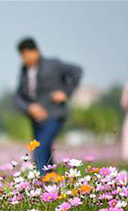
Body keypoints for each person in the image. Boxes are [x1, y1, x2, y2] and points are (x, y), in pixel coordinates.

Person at [13, 37, 82, 173]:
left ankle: (41, 183)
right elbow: (18, 97)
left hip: (54, 115)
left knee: (40, 150)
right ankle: (52, 182)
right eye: (22, 56)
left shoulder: (52, 64)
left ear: (36, 52)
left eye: (27, 54)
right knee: (45, 152)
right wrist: (29, 108)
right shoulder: (24, 71)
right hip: (36, 120)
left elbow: (77, 71)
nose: (25, 59)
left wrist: (65, 92)